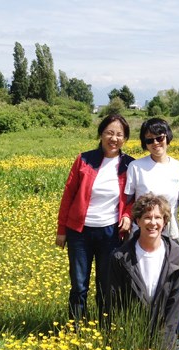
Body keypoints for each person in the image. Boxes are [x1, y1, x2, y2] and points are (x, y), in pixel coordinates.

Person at [56, 114, 134, 324]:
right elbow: (68, 195)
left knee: (106, 285)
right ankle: (76, 329)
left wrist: (127, 215)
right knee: (79, 285)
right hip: (79, 232)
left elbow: (132, 197)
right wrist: (62, 230)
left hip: (110, 233)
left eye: (119, 134)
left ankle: (105, 329)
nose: (114, 138)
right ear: (101, 134)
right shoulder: (84, 160)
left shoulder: (129, 165)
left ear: (125, 138)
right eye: (109, 132)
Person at [124, 117, 179, 349]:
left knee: (176, 281)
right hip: (142, 233)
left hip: (169, 231)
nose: (155, 143)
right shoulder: (136, 167)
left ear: (167, 138)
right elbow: (129, 199)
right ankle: (141, 332)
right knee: (144, 283)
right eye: (149, 140)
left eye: (159, 137)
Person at [107, 193, 179, 350]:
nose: (153, 223)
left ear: (165, 222)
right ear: (137, 221)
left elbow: (174, 309)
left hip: (164, 339)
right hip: (131, 337)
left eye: (158, 217)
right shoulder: (120, 257)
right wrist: (134, 345)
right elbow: (115, 305)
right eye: (147, 217)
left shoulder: (177, 258)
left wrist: (158, 349)